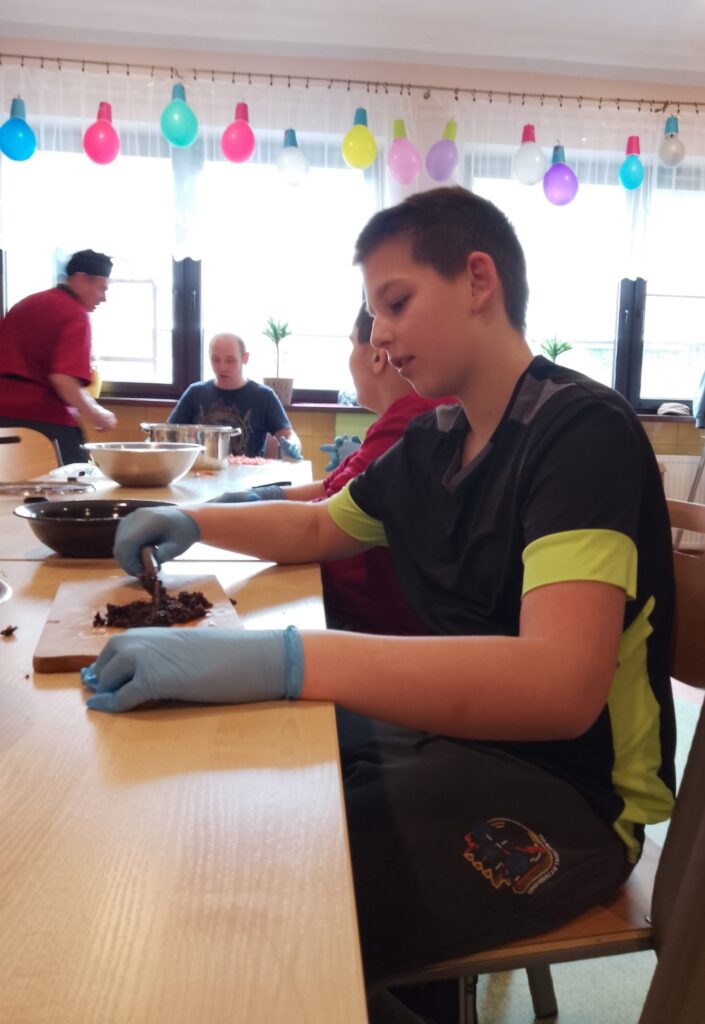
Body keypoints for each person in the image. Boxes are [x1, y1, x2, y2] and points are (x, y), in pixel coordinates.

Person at [82, 187, 676, 1021]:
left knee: (251, 923)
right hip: (453, 742)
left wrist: (288, 659)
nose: (380, 334)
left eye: (395, 303)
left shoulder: (580, 436)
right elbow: (321, 525)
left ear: (478, 280)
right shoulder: (435, 439)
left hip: (570, 798)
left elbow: (558, 686)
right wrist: (191, 520)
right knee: (217, 813)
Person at [210, 304, 453, 634]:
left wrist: (198, 522)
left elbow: (315, 528)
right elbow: (330, 488)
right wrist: (264, 495)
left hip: (376, 627)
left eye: (352, 345)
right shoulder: (404, 417)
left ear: (378, 355)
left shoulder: (413, 424)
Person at [0, 249, 117, 464]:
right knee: (78, 479)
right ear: (80, 278)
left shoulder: (28, 303)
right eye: (101, 288)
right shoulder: (74, 313)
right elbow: (63, 379)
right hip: (42, 419)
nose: (103, 298)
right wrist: (97, 414)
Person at [168, 332, 303, 459]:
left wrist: (293, 446)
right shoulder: (195, 393)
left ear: (245, 358)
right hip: (201, 471)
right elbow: (169, 433)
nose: (222, 367)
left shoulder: (264, 396)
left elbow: (288, 435)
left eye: (230, 360)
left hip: (249, 473)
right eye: (216, 360)